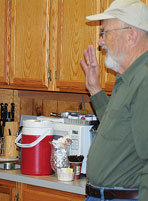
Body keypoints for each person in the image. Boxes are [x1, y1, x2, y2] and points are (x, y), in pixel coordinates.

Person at [80, 0, 148, 200]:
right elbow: (119, 130)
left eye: (105, 32)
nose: (101, 41)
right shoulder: (128, 78)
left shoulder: (144, 80)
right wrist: (94, 88)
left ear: (131, 35)